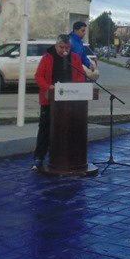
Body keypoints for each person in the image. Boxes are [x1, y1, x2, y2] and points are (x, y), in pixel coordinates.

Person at [33, 34, 86, 170]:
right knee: (45, 129)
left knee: (68, 129)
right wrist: (48, 87)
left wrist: (76, 88)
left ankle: (65, 157)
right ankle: (39, 158)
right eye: (61, 47)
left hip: (70, 102)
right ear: (56, 46)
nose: (64, 50)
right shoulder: (48, 57)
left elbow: (80, 75)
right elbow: (38, 76)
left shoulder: (74, 58)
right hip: (49, 100)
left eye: (67, 47)